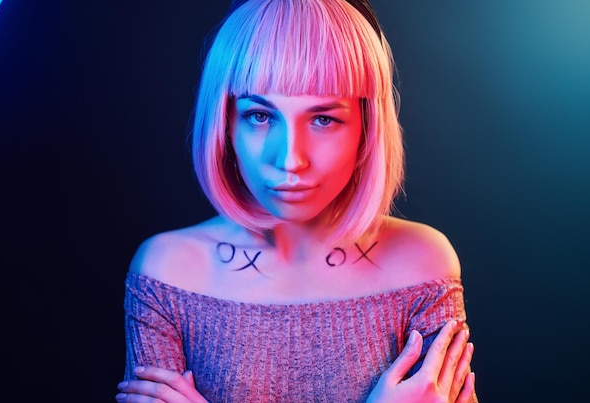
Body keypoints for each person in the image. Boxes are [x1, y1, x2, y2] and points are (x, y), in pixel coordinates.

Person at [116, 0, 478, 401]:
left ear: (367, 127)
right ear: (224, 122)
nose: (290, 160)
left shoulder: (421, 263)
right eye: (259, 116)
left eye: (323, 119)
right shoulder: (166, 274)